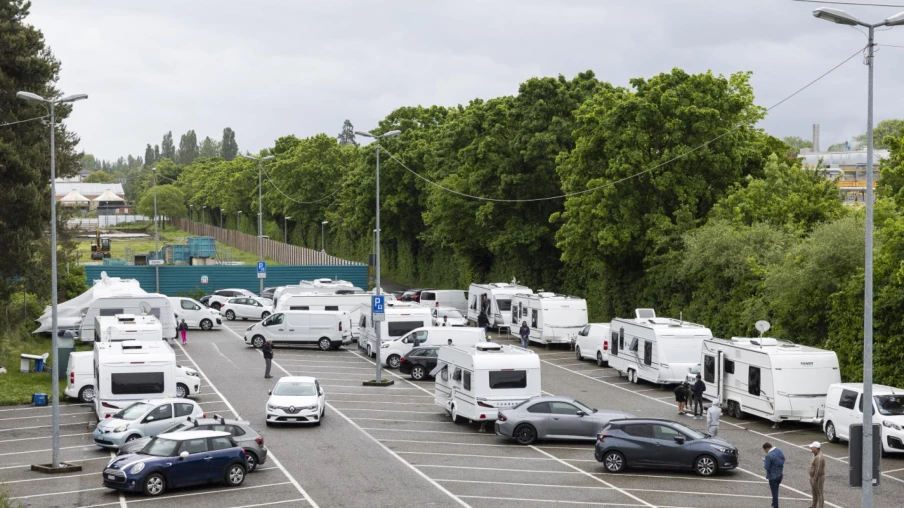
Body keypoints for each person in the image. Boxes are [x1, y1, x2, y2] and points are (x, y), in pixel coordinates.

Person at [763, 442, 785, 508]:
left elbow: (766, 467)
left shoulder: (769, 455)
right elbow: (783, 459)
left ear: (766, 448)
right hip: (780, 474)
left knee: (774, 492)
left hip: (772, 476)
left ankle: (775, 506)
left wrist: (765, 460)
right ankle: (773, 503)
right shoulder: (779, 450)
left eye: (765, 450)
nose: (765, 452)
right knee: (776, 489)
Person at [808, 441, 825, 508]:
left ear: (816, 448)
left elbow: (818, 470)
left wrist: (815, 479)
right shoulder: (814, 454)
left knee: (819, 493)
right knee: (814, 492)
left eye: (812, 447)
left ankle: (820, 506)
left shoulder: (819, 458)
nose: (811, 448)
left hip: (818, 478)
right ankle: (813, 505)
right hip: (813, 477)